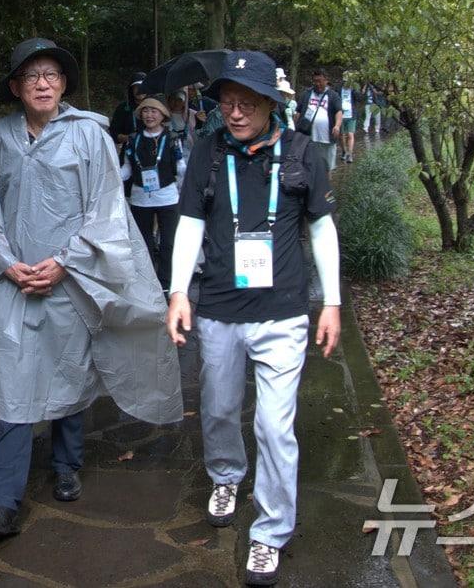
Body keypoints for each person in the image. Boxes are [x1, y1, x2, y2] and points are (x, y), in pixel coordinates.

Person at [0, 38, 183, 537]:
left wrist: (64, 263)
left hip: (71, 278)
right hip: (11, 279)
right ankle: (2, 501)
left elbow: (105, 211)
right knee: (12, 383)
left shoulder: (90, 136)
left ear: (64, 84)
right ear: (16, 87)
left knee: (68, 372)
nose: (43, 83)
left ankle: (66, 464)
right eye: (31, 76)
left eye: (52, 75)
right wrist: (7, 264)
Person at [164, 51, 342, 586]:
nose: (234, 113)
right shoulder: (208, 152)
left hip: (283, 313)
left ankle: (270, 531)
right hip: (218, 309)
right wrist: (178, 291)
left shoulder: (304, 155)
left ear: (270, 104)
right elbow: (190, 223)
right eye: (227, 103)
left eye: (246, 104)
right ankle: (225, 475)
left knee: (273, 426)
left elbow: (322, 229)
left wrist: (330, 301)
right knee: (218, 410)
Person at [121, 97, 188, 290]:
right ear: (140, 114)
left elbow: (180, 166)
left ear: (163, 115)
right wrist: (110, 175)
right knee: (143, 244)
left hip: (167, 196)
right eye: (145, 111)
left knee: (168, 243)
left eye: (154, 111)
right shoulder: (133, 139)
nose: (149, 115)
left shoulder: (172, 138)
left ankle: (167, 284)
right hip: (140, 197)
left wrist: (191, 181)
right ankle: (148, 284)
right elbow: (127, 169)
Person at [296, 68, 342, 171]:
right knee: (309, 164)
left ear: (326, 81)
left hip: (327, 138)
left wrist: (337, 125)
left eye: (320, 81)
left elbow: (338, 111)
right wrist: (296, 129)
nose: (317, 84)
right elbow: (298, 112)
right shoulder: (306, 94)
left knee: (327, 167)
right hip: (309, 136)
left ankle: (327, 186)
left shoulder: (333, 95)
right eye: (315, 81)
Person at [109, 71, 148, 147]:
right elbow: (114, 133)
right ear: (131, 89)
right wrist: (127, 138)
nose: (140, 90)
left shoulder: (155, 107)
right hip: (129, 151)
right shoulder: (123, 108)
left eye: (142, 86)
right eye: (136, 87)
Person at [338, 74, 358, 163]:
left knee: (350, 134)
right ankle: (344, 151)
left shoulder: (354, 90)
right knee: (341, 135)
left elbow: (360, 98)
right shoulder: (338, 89)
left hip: (351, 115)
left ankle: (350, 154)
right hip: (341, 115)